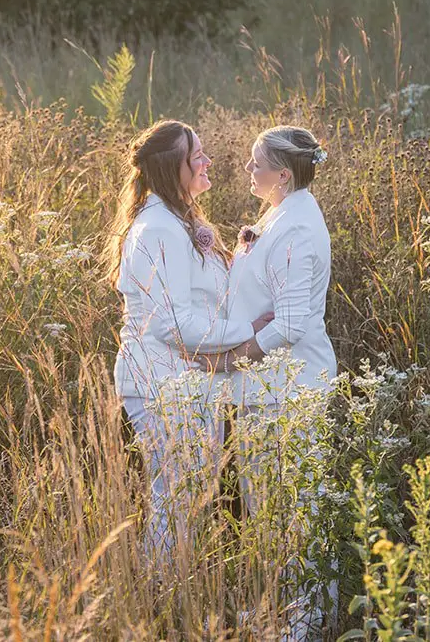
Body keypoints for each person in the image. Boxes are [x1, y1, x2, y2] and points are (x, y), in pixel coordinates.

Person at [191, 124, 337, 639]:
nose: (248, 170)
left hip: (290, 389)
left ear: (283, 172)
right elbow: (264, 288)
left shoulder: (298, 228)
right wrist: (228, 251)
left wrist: (229, 359)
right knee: (266, 505)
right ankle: (282, 604)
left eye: (256, 163)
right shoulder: (279, 215)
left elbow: (292, 323)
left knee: (296, 504)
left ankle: (310, 616)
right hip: (264, 390)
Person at [109, 119, 272, 565]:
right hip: (162, 380)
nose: (206, 161)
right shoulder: (159, 228)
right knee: (177, 497)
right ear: (170, 169)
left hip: (187, 379)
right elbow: (173, 323)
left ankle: (167, 595)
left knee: (189, 493)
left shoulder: (180, 220)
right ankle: (161, 597)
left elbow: (203, 298)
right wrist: (250, 333)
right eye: (196, 155)